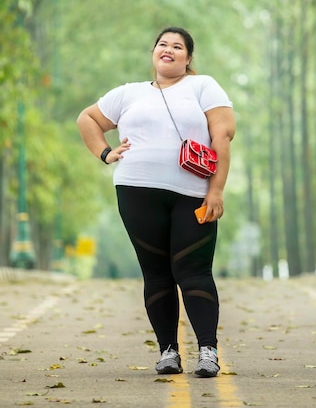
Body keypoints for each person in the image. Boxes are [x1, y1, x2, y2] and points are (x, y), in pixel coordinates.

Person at [76, 26, 235, 378]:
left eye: (177, 46)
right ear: (153, 52)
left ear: (188, 58)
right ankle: (168, 352)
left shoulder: (203, 86)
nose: (169, 49)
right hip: (136, 190)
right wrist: (105, 152)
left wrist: (217, 189)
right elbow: (87, 119)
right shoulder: (127, 93)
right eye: (163, 44)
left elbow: (222, 136)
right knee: (157, 272)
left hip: (194, 194)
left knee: (193, 270)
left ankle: (208, 351)